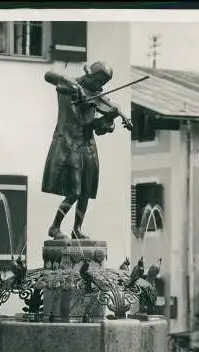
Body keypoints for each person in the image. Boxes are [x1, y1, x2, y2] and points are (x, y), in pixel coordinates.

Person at [42, 61, 132, 240]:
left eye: (103, 84)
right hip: (70, 143)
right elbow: (48, 75)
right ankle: (55, 227)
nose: (100, 87)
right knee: (74, 190)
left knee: (86, 190)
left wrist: (108, 120)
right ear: (89, 75)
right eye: (98, 82)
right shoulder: (69, 87)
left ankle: (77, 228)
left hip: (88, 145)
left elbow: (96, 128)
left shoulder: (97, 96)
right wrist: (77, 88)